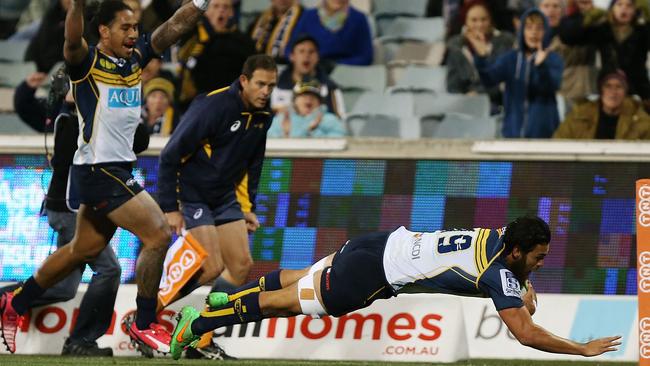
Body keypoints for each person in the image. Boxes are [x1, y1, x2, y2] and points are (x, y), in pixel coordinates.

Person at [0, 0, 212, 356]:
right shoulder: (86, 63)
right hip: (99, 171)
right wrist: (79, 5)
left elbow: (176, 25)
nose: (133, 34)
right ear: (103, 31)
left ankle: (15, 301)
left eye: (135, 28)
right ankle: (144, 324)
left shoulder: (134, 59)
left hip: (113, 170)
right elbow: (71, 40)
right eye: (125, 28)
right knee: (159, 233)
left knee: (81, 250)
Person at [169, 216, 622, 360]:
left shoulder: (498, 236)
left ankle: (226, 297)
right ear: (518, 252)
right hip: (372, 276)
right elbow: (524, 333)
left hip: (381, 241)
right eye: (538, 257)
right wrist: (581, 349)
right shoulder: (497, 273)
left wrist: (524, 279)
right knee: (286, 305)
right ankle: (202, 321)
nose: (540, 264)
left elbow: (513, 266)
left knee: (297, 278)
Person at [157, 54, 277, 359]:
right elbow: (170, 154)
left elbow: (253, 163)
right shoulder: (214, 106)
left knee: (240, 265)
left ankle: (200, 338)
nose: (266, 91)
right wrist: (170, 206)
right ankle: (145, 315)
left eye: (271, 86)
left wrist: (247, 206)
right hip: (194, 193)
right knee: (208, 264)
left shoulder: (264, 116)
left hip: (224, 198)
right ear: (244, 80)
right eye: (261, 84)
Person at [470, 8, 563, 138]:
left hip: (544, 135)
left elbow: (552, 86)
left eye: (539, 28)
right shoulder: (511, 58)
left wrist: (540, 66)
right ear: (522, 31)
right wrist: (481, 58)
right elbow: (489, 80)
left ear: (546, 32)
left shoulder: (553, 58)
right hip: (512, 134)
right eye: (529, 28)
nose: (534, 33)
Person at [559, 0, 650, 109]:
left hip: (638, 91)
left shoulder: (642, 31)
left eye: (629, 5)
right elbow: (568, 37)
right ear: (612, 9)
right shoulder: (603, 29)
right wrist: (586, 18)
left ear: (635, 10)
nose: (624, 9)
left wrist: (648, 18)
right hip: (608, 91)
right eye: (619, 4)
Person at [178, 0, 257, 111]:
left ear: (232, 13)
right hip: (198, 103)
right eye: (215, 6)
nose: (221, 10)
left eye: (226, 7)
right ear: (205, 11)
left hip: (233, 103)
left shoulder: (243, 42)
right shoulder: (192, 39)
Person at [445, 0, 515, 114]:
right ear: (465, 22)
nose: (480, 25)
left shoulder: (506, 41)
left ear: (491, 20)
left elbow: (504, 81)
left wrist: (479, 93)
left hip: (499, 102)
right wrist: (465, 98)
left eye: (484, 19)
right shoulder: (456, 45)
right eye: (474, 20)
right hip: (466, 104)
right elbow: (453, 86)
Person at [554, 69, 650, 139]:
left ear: (625, 92)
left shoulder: (640, 120)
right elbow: (558, 144)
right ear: (601, 91)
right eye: (608, 86)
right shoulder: (579, 115)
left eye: (619, 86)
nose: (613, 92)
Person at [272, 34, 345, 118]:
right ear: (292, 56)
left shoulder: (330, 88)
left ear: (318, 57)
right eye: (301, 51)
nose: (306, 56)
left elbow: (340, 120)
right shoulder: (274, 85)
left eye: (311, 52)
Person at [286, 0, 373, 68]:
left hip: (348, 73)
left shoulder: (359, 19)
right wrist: (307, 61)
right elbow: (290, 49)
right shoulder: (308, 16)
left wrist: (336, 65)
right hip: (312, 71)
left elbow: (366, 57)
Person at [269, 79, 346, 138]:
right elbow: (268, 141)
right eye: (304, 95)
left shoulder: (330, 119)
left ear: (320, 102)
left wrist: (314, 131)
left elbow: (341, 139)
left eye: (313, 96)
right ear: (294, 100)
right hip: (285, 159)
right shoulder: (282, 120)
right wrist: (285, 135)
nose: (309, 99)